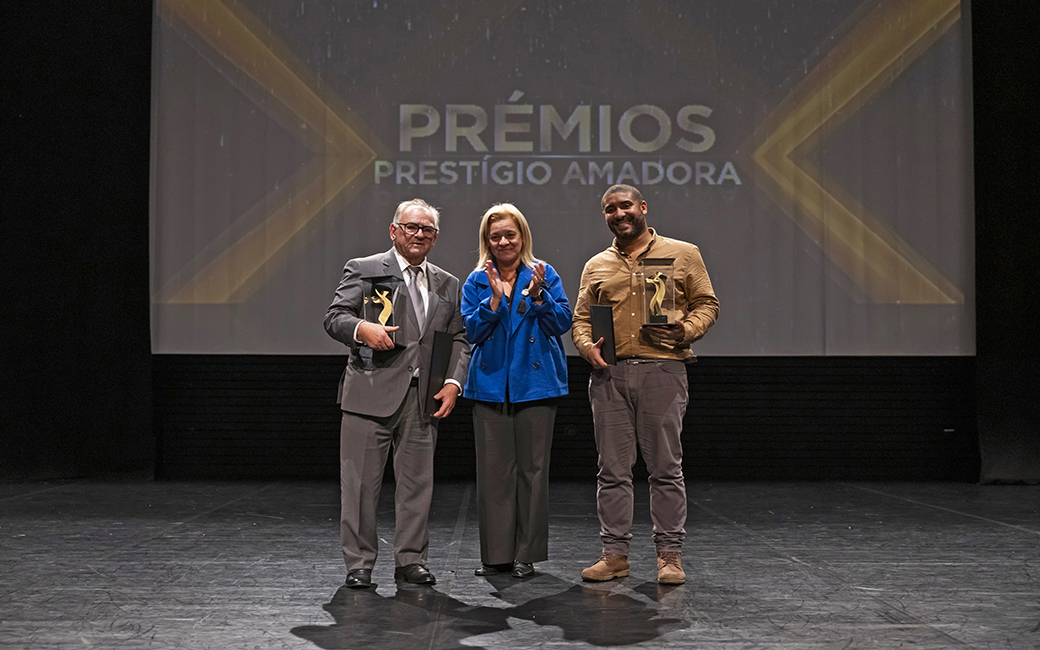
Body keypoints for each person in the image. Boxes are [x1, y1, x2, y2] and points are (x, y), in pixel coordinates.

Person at [572, 184, 719, 585]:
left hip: (663, 372)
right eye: (610, 209)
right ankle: (614, 554)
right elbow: (581, 318)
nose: (619, 214)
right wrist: (586, 347)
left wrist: (686, 329)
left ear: (642, 207)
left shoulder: (683, 253)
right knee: (612, 471)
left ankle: (669, 556)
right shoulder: (596, 265)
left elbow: (708, 303)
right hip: (610, 375)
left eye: (625, 206)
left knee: (665, 469)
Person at [324, 198, 471, 589]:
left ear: (435, 237)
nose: (419, 234)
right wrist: (361, 329)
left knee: (418, 486)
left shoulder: (447, 282)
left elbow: (458, 338)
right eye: (411, 227)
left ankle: (410, 560)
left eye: (427, 230)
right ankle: (359, 564)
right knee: (358, 486)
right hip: (369, 393)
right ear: (394, 230)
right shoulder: (366, 269)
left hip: (422, 398)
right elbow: (335, 317)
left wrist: (454, 383)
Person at [461, 203, 572, 578]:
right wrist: (493, 300)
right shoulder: (477, 280)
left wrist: (539, 297)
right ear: (487, 242)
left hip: (535, 385)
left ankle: (526, 553)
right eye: (496, 237)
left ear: (522, 236)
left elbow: (562, 323)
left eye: (510, 234)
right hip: (491, 386)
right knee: (493, 474)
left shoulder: (544, 273)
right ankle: (496, 555)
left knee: (533, 472)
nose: (503, 241)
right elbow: (471, 333)